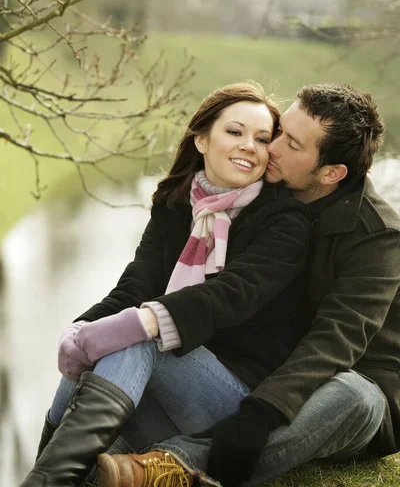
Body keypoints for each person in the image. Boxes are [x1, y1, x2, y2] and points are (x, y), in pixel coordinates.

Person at [95, 83, 400, 487]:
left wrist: (262, 411)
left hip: (342, 388)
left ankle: (176, 467)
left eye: (290, 144)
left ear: (331, 173)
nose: (269, 148)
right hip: (257, 375)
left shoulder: (377, 237)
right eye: (278, 131)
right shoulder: (264, 195)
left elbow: (336, 341)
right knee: (143, 337)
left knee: (355, 395)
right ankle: (89, 463)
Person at [20, 82, 312, 487]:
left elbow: (230, 296)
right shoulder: (174, 206)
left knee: (138, 336)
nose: (250, 146)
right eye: (235, 132)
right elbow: (135, 285)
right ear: (202, 138)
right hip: (164, 398)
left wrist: (137, 324)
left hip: (233, 404)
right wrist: (81, 330)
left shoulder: (284, 221)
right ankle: (48, 476)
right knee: (98, 346)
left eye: (262, 139)